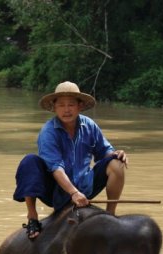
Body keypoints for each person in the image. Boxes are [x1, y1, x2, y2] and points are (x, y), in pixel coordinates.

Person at [13, 81, 128, 240]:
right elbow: (55, 168)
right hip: (56, 189)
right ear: (54, 108)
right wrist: (73, 193)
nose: (66, 110)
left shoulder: (89, 125)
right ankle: (32, 216)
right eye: (61, 105)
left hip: (85, 184)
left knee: (116, 162)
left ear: (79, 106)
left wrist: (117, 153)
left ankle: (110, 215)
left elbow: (104, 152)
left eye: (71, 105)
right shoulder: (48, 132)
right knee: (29, 161)